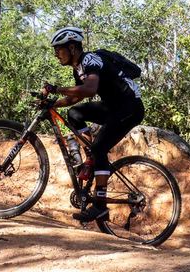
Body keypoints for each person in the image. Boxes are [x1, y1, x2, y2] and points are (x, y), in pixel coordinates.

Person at [42, 27, 145, 222]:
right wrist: (52, 104)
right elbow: (75, 99)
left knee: (100, 147)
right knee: (74, 113)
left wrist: (56, 89)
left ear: (72, 47)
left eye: (58, 49)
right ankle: (91, 158)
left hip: (129, 107)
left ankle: (100, 206)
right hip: (113, 106)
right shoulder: (78, 68)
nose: (56, 54)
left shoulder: (90, 60)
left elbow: (89, 89)